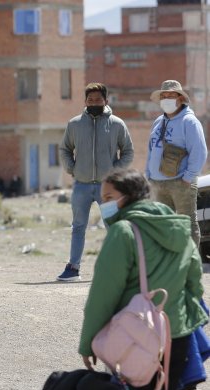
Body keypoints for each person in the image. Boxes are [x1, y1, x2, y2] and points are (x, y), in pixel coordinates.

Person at [78, 169, 207, 390]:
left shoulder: (123, 231)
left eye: (107, 198)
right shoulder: (178, 226)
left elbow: (104, 293)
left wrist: (87, 342)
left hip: (135, 343)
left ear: (127, 197)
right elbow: (195, 281)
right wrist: (179, 318)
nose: (103, 204)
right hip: (174, 338)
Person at [56, 82, 135, 282]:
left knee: (113, 227)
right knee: (78, 227)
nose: (94, 102)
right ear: (85, 101)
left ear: (106, 101)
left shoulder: (117, 124)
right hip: (81, 186)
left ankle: (119, 268)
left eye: (98, 99)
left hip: (106, 189)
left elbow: (128, 151)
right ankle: (73, 268)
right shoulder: (75, 124)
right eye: (90, 100)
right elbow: (65, 149)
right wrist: (72, 169)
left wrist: (114, 172)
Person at [145, 79, 208, 250]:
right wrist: (148, 174)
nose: (166, 98)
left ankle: (190, 263)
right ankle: (170, 265)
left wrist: (187, 177)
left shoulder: (190, 121)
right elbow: (151, 149)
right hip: (158, 183)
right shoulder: (159, 122)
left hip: (181, 182)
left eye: (171, 95)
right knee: (163, 225)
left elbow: (199, 152)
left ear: (180, 98)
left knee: (187, 224)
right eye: (164, 95)